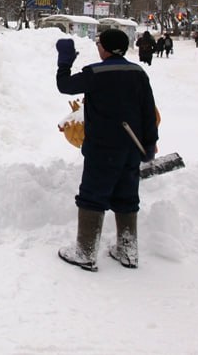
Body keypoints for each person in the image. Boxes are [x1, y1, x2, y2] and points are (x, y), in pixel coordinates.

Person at [54, 28, 158, 271]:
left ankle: (85, 252)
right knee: (127, 196)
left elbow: (64, 85)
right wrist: (150, 144)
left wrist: (64, 62)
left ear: (107, 48)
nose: (98, 47)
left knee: (92, 195)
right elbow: (148, 111)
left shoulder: (96, 73)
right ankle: (127, 251)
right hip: (132, 147)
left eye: (99, 44)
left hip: (102, 149)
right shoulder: (138, 72)